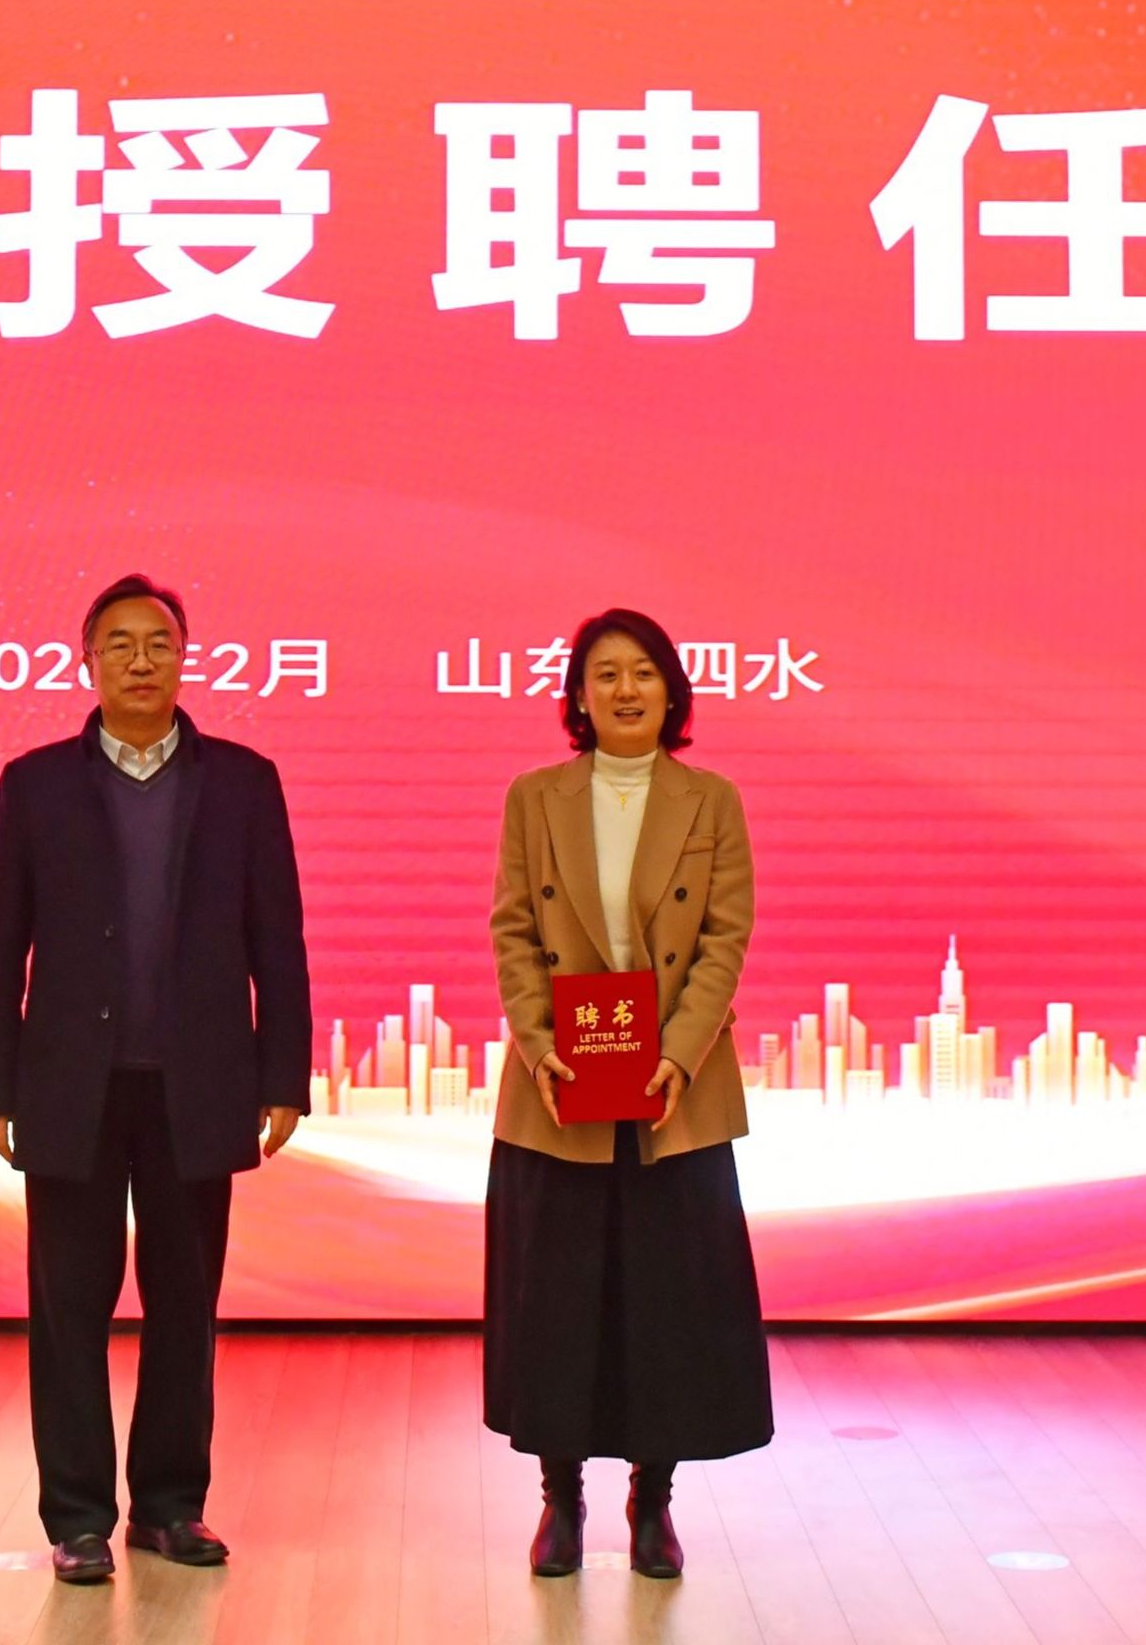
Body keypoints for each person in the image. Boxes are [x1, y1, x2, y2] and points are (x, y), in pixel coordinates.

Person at [0, 575, 314, 1585]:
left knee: (185, 1306)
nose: (139, 659)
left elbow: (278, 940)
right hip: (68, 1084)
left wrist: (282, 1073)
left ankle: (170, 1505)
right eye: (118, 643)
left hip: (196, 1082)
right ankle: (78, 1515)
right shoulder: (34, 783)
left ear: (183, 657)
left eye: (158, 642)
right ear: (87, 661)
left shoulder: (244, 781)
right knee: (67, 1308)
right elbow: (0, 945)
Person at [484, 608, 775, 1582]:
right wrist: (538, 1045)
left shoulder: (711, 800)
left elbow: (724, 937)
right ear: (578, 693)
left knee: (664, 1303)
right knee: (558, 1303)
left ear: (671, 690)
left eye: (643, 672)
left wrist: (680, 1053)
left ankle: (654, 1500)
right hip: (560, 1088)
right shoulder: (535, 797)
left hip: (671, 1093)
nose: (624, 689)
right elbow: (513, 930)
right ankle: (559, 1498)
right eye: (605, 673)